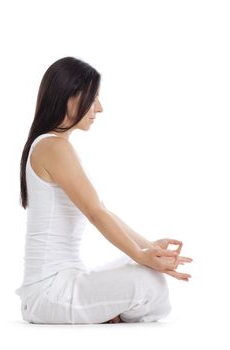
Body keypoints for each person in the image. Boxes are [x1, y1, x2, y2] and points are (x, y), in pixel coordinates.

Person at [15, 56, 193, 324]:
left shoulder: (53, 146)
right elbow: (96, 213)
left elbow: (102, 210)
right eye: (93, 97)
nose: (99, 108)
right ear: (69, 97)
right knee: (149, 284)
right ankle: (111, 312)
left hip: (60, 285)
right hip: (48, 293)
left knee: (142, 271)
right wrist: (142, 255)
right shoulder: (53, 147)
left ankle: (108, 311)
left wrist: (148, 247)